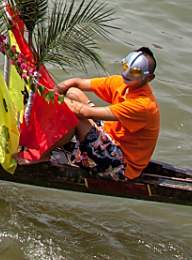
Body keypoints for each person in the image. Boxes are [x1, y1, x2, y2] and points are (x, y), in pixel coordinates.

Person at [49, 49, 161, 181]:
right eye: (125, 66)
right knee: (73, 93)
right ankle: (57, 142)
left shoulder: (143, 105)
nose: (127, 73)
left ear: (149, 78)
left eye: (135, 72)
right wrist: (57, 90)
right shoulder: (121, 82)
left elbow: (85, 113)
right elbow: (77, 83)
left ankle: (43, 154)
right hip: (109, 137)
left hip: (121, 165)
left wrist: (51, 98)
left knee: (78, 117)